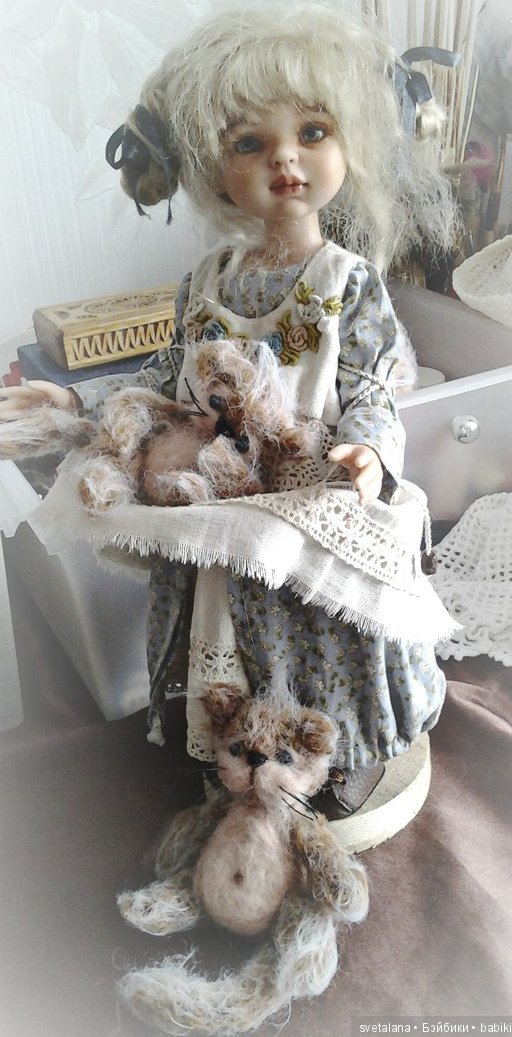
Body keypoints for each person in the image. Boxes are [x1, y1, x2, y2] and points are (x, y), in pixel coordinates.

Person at [0, 2, 458, 825]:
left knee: (328, 630)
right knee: (235, 639)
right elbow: (167, 379)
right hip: (222, 499)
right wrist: (75, 400)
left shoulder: (345, 280)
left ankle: (345, 750)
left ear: (350, 143)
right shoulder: (205, 282)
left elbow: (371, 384)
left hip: (312, 492)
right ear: (212, 171)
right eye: (249, 142)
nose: (284, 157)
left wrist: (366, 451)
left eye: (312, 131)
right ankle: (240, 754)